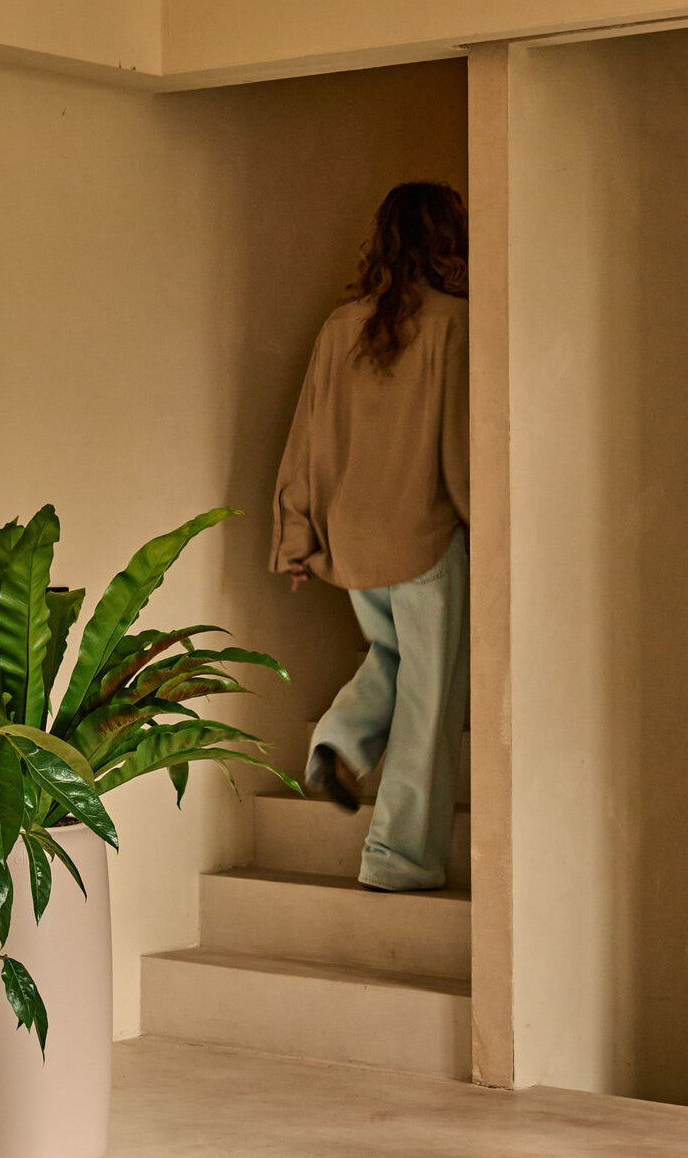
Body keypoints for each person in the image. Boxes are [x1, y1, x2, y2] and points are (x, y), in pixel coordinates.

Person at [270, 181, 469, 892]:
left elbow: (306, 437)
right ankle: (398, 856)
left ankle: (337, 742)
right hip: (422, 535)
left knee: (391, 656)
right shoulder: (453, 324)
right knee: (430, 699)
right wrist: (495, 530)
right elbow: (462, 445)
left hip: (351, 541)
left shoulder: (339, 327)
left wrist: (297, 536)